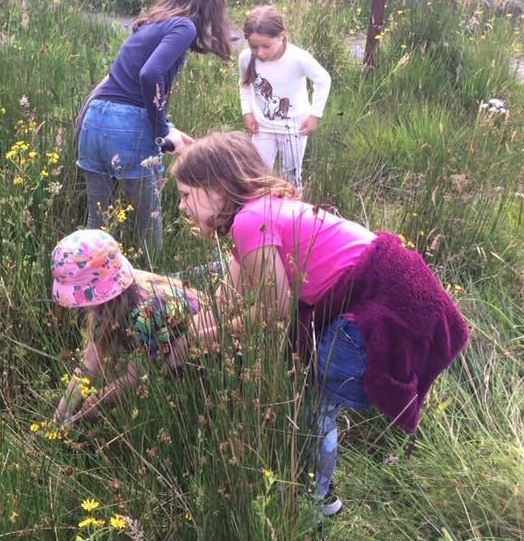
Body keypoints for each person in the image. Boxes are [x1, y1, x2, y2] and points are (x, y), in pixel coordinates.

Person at [171, 132, 469, 517]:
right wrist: (190, 333)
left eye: (184, 195)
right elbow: (228, 296)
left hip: (382, 305)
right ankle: (318, 490)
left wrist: (204, 339)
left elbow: (276, 309)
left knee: (313, 404)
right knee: (312, 393)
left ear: (216, 187)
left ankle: (317, 504)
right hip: (399, 294)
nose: (180, 207)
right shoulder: (263, 210)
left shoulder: (250, 221)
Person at [76, 0, 231, 251]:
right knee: (148, 229)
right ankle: (153, 288)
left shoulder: (151, 23)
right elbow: (149, 75)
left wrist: (168, 127)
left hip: (94, 119)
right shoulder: (184, 25)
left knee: (97, 226)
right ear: (209, 3)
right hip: (128, 127)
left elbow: (128, 87)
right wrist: (160, 133)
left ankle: (90, 290)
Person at [50, 229, 206, 425]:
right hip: (168, 344)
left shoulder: (143, 312)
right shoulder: (109, 303)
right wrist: (59, 417)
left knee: (168, 375)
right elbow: (90, 363)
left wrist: (99, 400)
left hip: (200, 357)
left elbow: (136, 377)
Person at [239, 5, 331, 194]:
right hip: (262, 127)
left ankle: (294, 218)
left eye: (266, 46)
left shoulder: (298, 58)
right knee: (258, 177)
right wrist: (247, 112)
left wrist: (314, 115)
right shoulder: (246, 58)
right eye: (254, 46)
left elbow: (323, 80)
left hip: (295, 129)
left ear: (281, 35)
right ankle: (263, 217)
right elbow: (245, 86)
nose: (260, 53)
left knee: (291, 177)